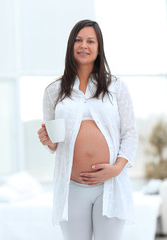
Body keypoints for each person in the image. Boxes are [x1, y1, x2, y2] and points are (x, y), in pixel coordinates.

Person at [38, 19, 138, 240]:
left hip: (110, 184)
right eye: (78, 40)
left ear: (99, 47)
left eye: (90, 41)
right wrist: (48, 141)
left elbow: (130, 132)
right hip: (72, 187)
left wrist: (117, 168)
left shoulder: (116, 87)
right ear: (71, 46)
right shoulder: (54, 91)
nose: (84, 45)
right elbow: (55, 141)